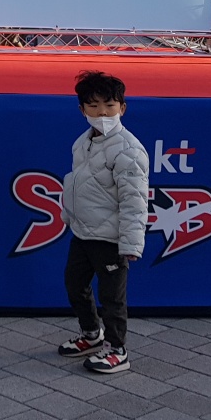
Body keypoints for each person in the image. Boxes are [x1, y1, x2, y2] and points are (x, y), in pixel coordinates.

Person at [57, 69, 149, 374]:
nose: (102, 113)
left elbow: (135, 200)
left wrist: (131, 243)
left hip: (111, 239)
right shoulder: (81, 142)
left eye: (110, 106)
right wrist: (69, 216)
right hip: (83, 234)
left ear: (122, 108)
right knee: (74, 285)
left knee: (112, 298)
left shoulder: (129, 149)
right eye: (94, 106)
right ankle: (91, 334)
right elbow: (79, 184)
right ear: (82, 109)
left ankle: (117, 350)